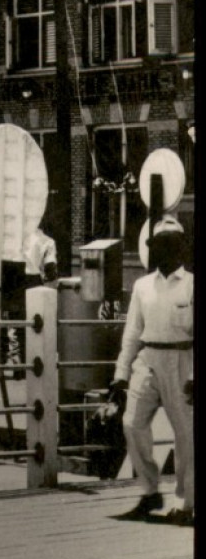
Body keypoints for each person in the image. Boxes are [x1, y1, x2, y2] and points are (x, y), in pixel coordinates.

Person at [104, 216, 193, 525]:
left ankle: (185, 504)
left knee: (186, 435)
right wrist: (120, 375)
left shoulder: (192, 285)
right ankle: (149, 491)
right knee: (132, 422)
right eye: (160, 245)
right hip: (148, 358)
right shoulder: (142, 287)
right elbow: (131, 334)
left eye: (171, 244)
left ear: (181, 247)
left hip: (183, 361)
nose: (166, 251)